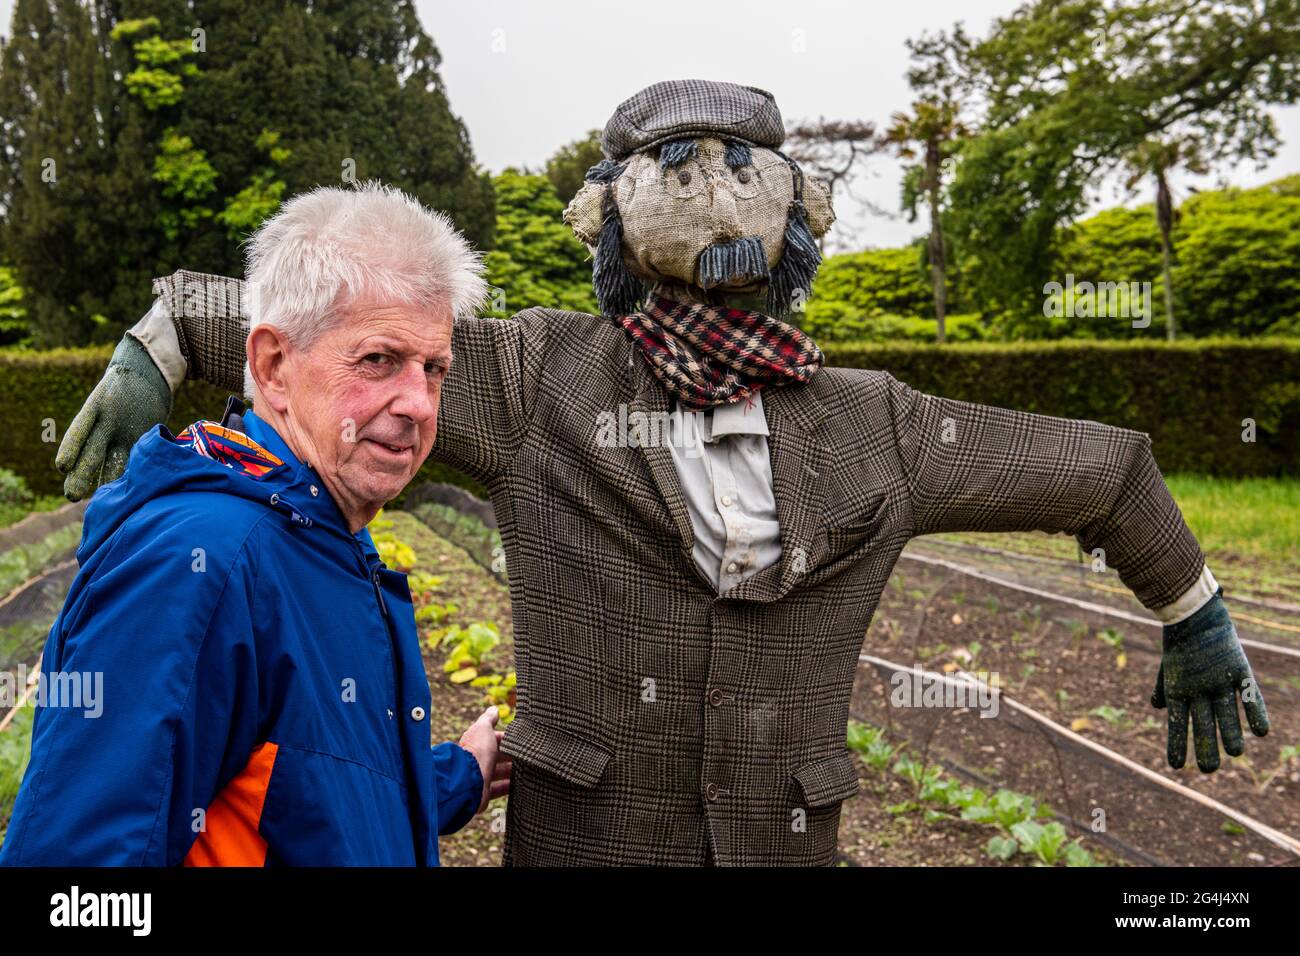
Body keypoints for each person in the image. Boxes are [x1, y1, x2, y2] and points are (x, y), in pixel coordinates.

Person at [54, 80, 1267, 866]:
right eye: (678, 160)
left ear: (794, 203)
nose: (712, 181)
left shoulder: (874, 423)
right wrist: (158, 343)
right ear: (612, 212)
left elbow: (1100, 468)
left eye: (742, 159)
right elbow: (324, 320)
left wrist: (1193, 606)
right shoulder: (540, 378)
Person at [1, 182, 510, 866]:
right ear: (272, 366)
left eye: (434, 369)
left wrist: (456, 779)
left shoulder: (327, 537)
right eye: (379, 360)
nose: (418, 403)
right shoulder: (199, 563)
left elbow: (307, 781)